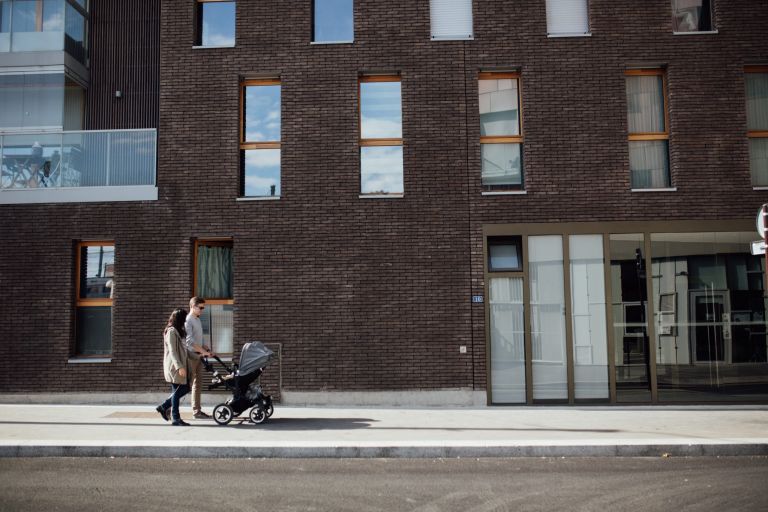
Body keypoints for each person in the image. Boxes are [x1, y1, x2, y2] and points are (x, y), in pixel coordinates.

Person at [156, 308, 191, 426]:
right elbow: (172, 351)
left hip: (179, 364)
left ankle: (164, 407)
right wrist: (179, 367)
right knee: (179, 390)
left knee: (180, 389)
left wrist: (198, 356)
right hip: (174, 366)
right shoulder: (171, 331)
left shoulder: (178, 331)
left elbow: (183, 350)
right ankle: (175, 418)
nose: (185, 321)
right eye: (184, 319)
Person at [185, 297, 215, 419]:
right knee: (185, 385)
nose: (202, 310)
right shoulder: (188, 320)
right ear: (192, 306)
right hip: (191, 356)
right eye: (200, 307)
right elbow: (190, 342)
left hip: (199, 356)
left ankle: (197, 411)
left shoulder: (197, 320)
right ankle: (168, 407)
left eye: (203, 308)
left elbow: (199, 339)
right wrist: (203, 351)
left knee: (197, 384)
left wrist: (206, 348)